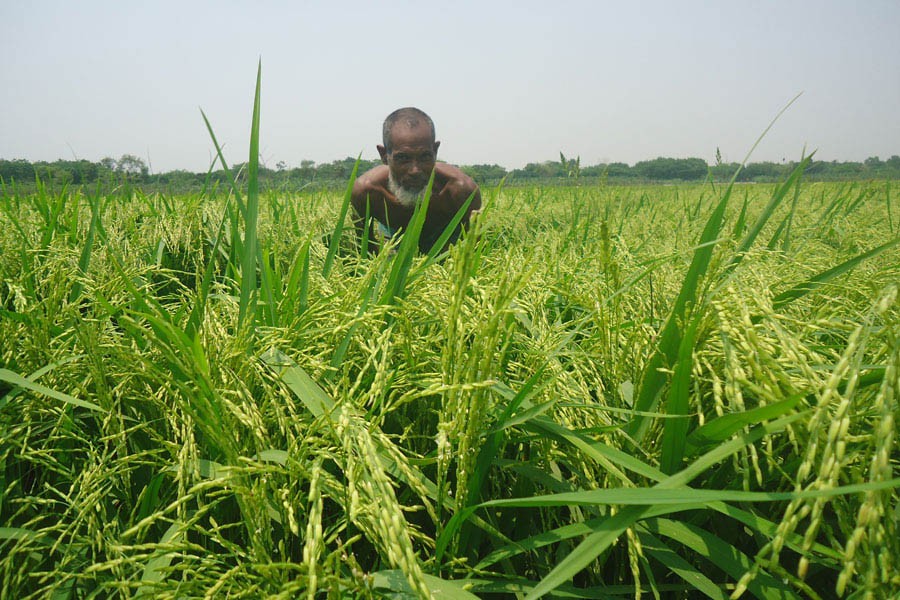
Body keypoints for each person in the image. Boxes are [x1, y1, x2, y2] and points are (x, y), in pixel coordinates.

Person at [351, 107, 481, 254]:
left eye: (425, 157)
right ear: (384, 155)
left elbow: (473, 249)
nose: (415, 171)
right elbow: (365, 248)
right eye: (403, 158)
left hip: (445, 236)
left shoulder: (461, 192)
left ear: (435, 151)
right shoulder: (366, 192)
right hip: (394, 235)